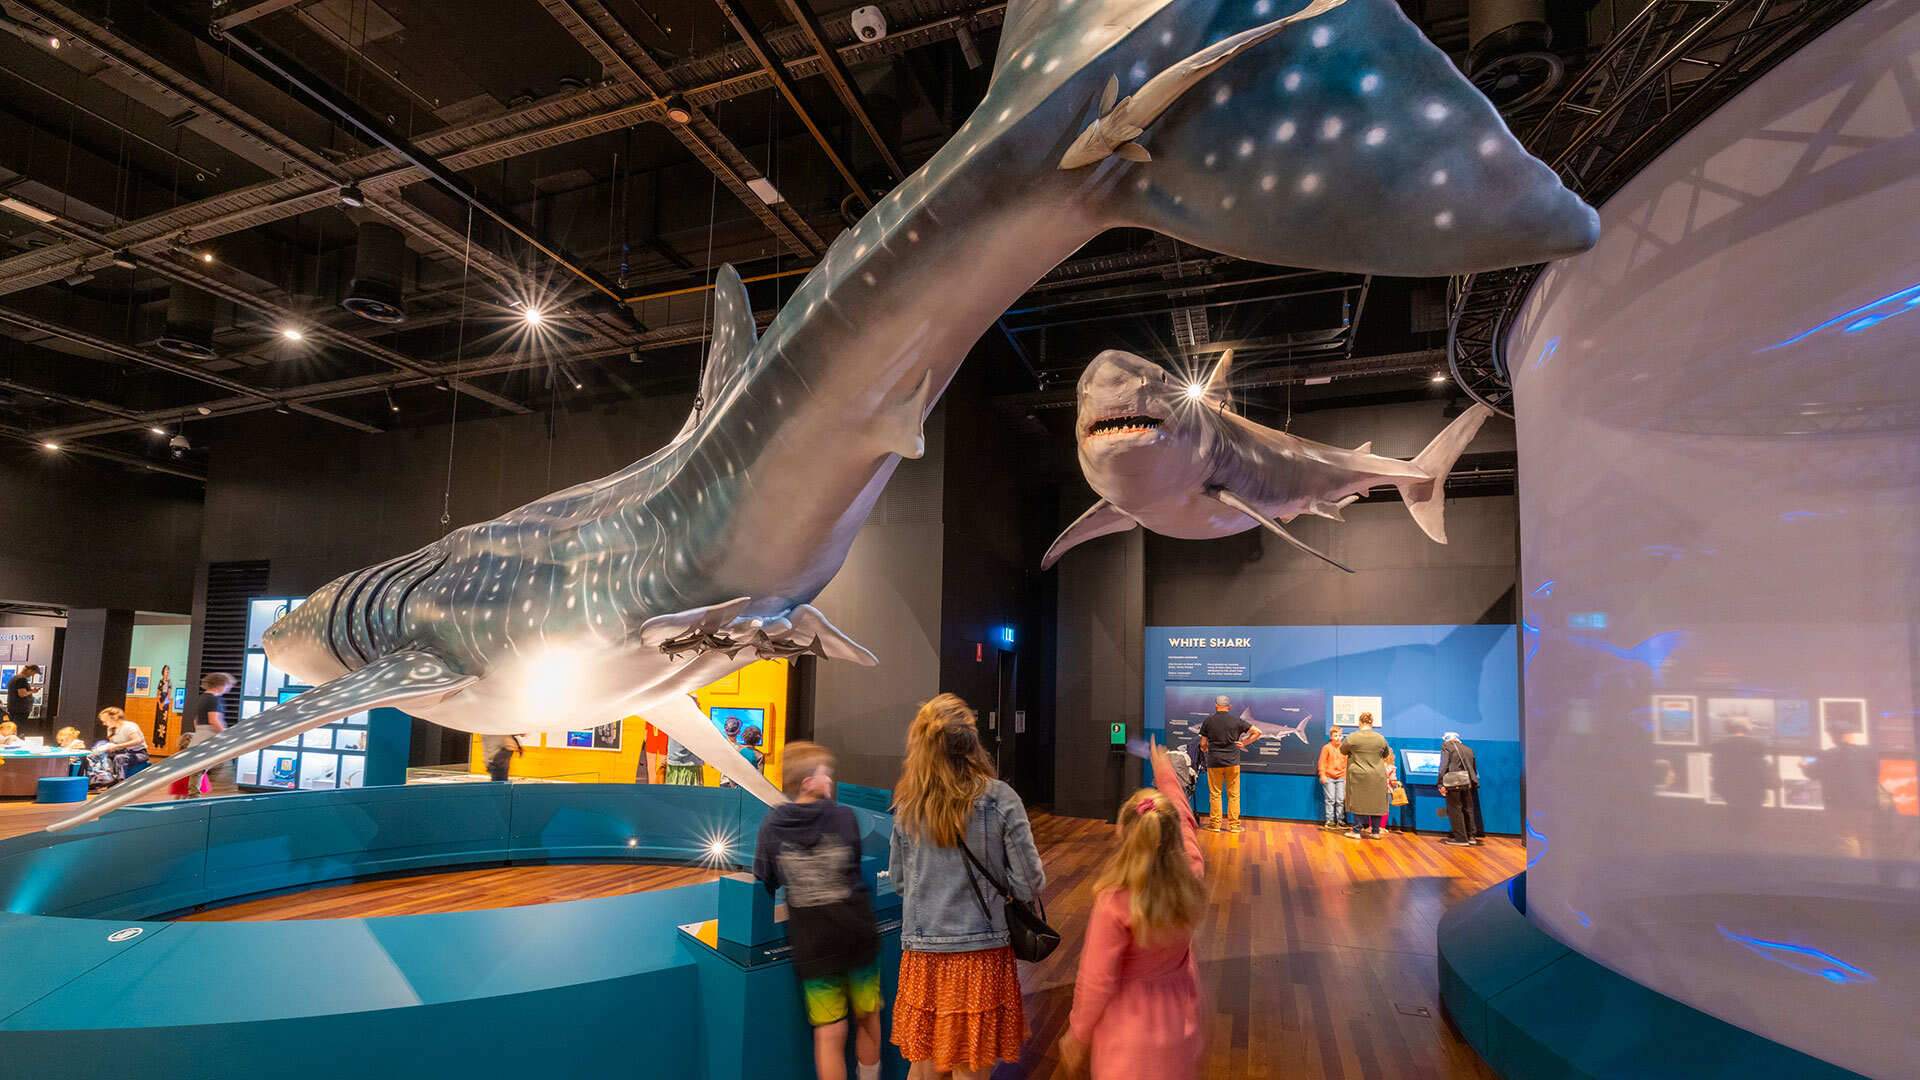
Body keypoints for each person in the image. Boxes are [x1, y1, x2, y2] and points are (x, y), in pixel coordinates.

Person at [888, 693, 1045, 1080]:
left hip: (923, 954)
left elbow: (899, 882)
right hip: (980, 953)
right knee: (970, 1066)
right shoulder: (999, 798)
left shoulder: (909, 804)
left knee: (924, 1065)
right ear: (972, 742)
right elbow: (1030, 882)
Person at [1059, 742, 1206, 1079]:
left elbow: (1097, 980)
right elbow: (1183, 819)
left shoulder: (1115, 900)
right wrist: (1166, 774)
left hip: (1128, 1030)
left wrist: (1077, 1032)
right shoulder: (1191, 874)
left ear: (1124, 835)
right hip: (1178, 1018)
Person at [754, 742, 884, 1080]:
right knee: (868, 1019)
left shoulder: (772, 824)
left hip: (812, 946)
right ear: (808, 782)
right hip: (857, 936)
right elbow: (853, 861)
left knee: (828, 1033)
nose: (831, 782)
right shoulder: (842, 816)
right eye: (826, 775)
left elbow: (764, 876)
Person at [1804, 721, 1883, 858]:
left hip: (1839, 806)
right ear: (1851, 735)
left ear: (1834, 737)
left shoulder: (1827, 755)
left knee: (1847, 839)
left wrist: (1803, 766)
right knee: (1866, 838)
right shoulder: (1868, 752)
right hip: (1865, 804)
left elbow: (1812, 773)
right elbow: (1876, 772)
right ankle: (1868, 870)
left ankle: (1854, 872)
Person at [1197, 695, 1263, 833]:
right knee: (1234, 795)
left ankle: (1215, 825)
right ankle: (1234, 826)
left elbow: (1202, 743)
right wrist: (1244, 743)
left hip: (1214, 762)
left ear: (1216, 706)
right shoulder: (1236, 721)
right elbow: (1258, 732)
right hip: (1232, 762)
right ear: (1229, 707)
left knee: (1215, 794)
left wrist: (1205, 748)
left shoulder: (1208, 721)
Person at [182, 672, 236, 798]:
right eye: (228, 685)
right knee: (223, 764)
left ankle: (193, 793)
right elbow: (214, 720)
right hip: (210, 735)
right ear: (220, 684)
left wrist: (199, 733)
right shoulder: (213, 699)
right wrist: (226, 735)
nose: (229, 688)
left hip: (200, 734)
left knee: (199, 767)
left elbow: (196, 720)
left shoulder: (203, 698)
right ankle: (226, 792)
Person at [1341, 713, 1392, 839]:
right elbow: (1386, 754)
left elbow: (1342, 750)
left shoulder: (1352, 737)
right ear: (1372, 723)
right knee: (1376, 803)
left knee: (1358, 801)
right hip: (1378, 775)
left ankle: (1356, 831)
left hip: (1358, 775)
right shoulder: (1380, 738)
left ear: (1359, 722)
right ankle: (1375, 832)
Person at [1710, 718, 1772, 810]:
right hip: (1754, 792)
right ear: (1747, 729)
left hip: (1730, 793)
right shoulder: (1757, 744)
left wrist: (1720, 789)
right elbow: (1761, 769)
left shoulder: (1719, 744)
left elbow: (1717, 770)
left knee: (1734, 820)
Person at [88, 706, 149, 786]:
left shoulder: (129, 726)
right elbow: (113, 744)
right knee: (100, 755)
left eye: (105, 721)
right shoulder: (110, 729)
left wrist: (118, 746)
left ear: (114, 717)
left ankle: (120, 781)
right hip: (120, 751)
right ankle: (100, 778)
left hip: (138, 753)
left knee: (120, 758)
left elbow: (138, 740)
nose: (104, 723)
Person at [1439, 732, 1481, 846]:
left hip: (1453, 783)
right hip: (1468, 782)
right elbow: (1473, 768)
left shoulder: (1447, 747)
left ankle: (1460, 838)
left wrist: (1440, 783)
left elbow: (1444, 766)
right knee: (1468, 808)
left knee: (1455, 809)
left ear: (1446, 740)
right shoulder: (1468, 749)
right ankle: (1471, 836)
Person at [1316, 728, 1348, 830]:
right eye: (1335, 736)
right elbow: (1322, 762)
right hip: (1329, 777)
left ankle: (1340, 820)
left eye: (1339, 735)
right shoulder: (1326, 748)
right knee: (1330, 799)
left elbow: (1347, 763)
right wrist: (1322, 774)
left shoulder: (1344, 748)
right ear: (1331, 737)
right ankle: (1330, 820)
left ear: (1342, 736)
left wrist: (1346, 776)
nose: (1338, 738)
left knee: (1340, 799)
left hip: (1341, 777)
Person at [7, 664, 39, 729]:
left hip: (15, 709)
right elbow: (22, 694)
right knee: (18, 729)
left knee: (14, 728)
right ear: (30, 670)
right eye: (34, 673)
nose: (32, 675)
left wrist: (31, 691)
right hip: (20, 710)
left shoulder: (15, 677)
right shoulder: (21, 679)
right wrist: (32, 691)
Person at [153, 665, 174, 749]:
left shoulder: (169, 682)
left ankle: (161, 742)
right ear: (163, 671)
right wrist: (159, 703)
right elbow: (157, 693)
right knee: (157, 721)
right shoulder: (160, 681)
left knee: (163, 722)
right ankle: (156, 741)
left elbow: (169, 695)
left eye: (168, 670)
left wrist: (163, 704)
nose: (167, 672)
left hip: (166, 703)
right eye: (166, 670)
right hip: (159, 702)